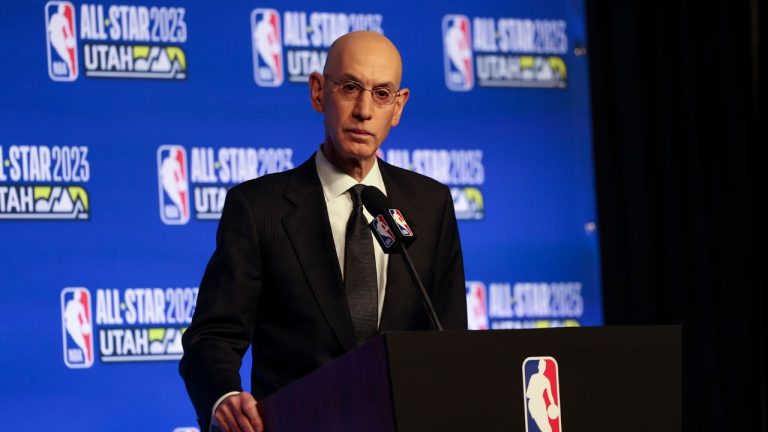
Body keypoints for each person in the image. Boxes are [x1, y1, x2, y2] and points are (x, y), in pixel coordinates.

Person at [180, 31, 467, 432]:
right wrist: (224, 397)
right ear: (318, 92)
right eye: (350, 88)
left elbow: (449, 343)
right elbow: (212, 337)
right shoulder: (260, 207)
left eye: (382, 94)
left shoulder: (429, 205)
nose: (364, 110)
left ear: (398, 107)